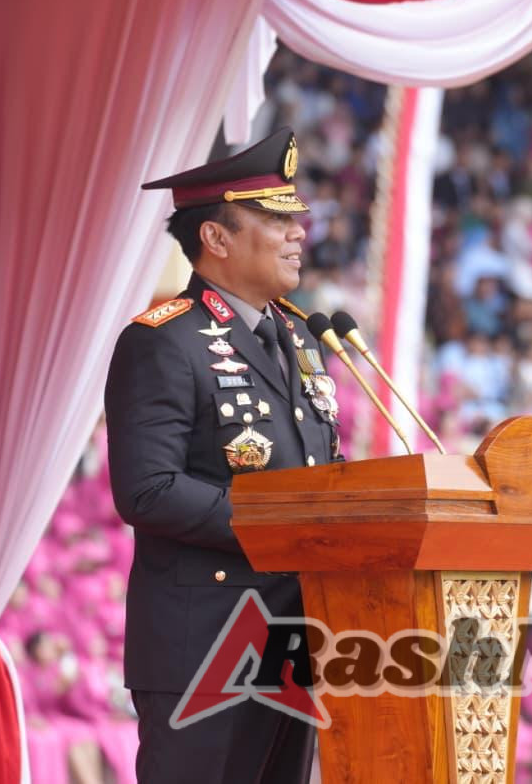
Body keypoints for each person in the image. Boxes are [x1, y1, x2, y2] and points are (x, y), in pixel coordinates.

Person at [105, 128, 342, 784]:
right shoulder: (165, 341)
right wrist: (280, 526)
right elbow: (146, 488)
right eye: (276, 218)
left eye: (297, 217)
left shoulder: (299, 338)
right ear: (216, 237)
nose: (299, 231)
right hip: (204, 644)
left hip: (294, 638)